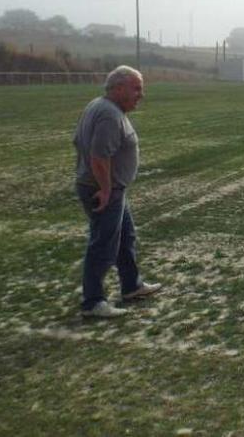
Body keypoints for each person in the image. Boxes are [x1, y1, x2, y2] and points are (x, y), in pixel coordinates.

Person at [73, 65, 161, 318]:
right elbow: (100, 157)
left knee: (125, 237)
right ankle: (93, 302)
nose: (140, 95)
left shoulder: (100, 106)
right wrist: (105, 188)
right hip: (104, 191)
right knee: (103, 244)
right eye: (136, 88)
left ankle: (131, 285)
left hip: (110, 189)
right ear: (118, 88)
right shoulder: (109, 115)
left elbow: (79, 142)